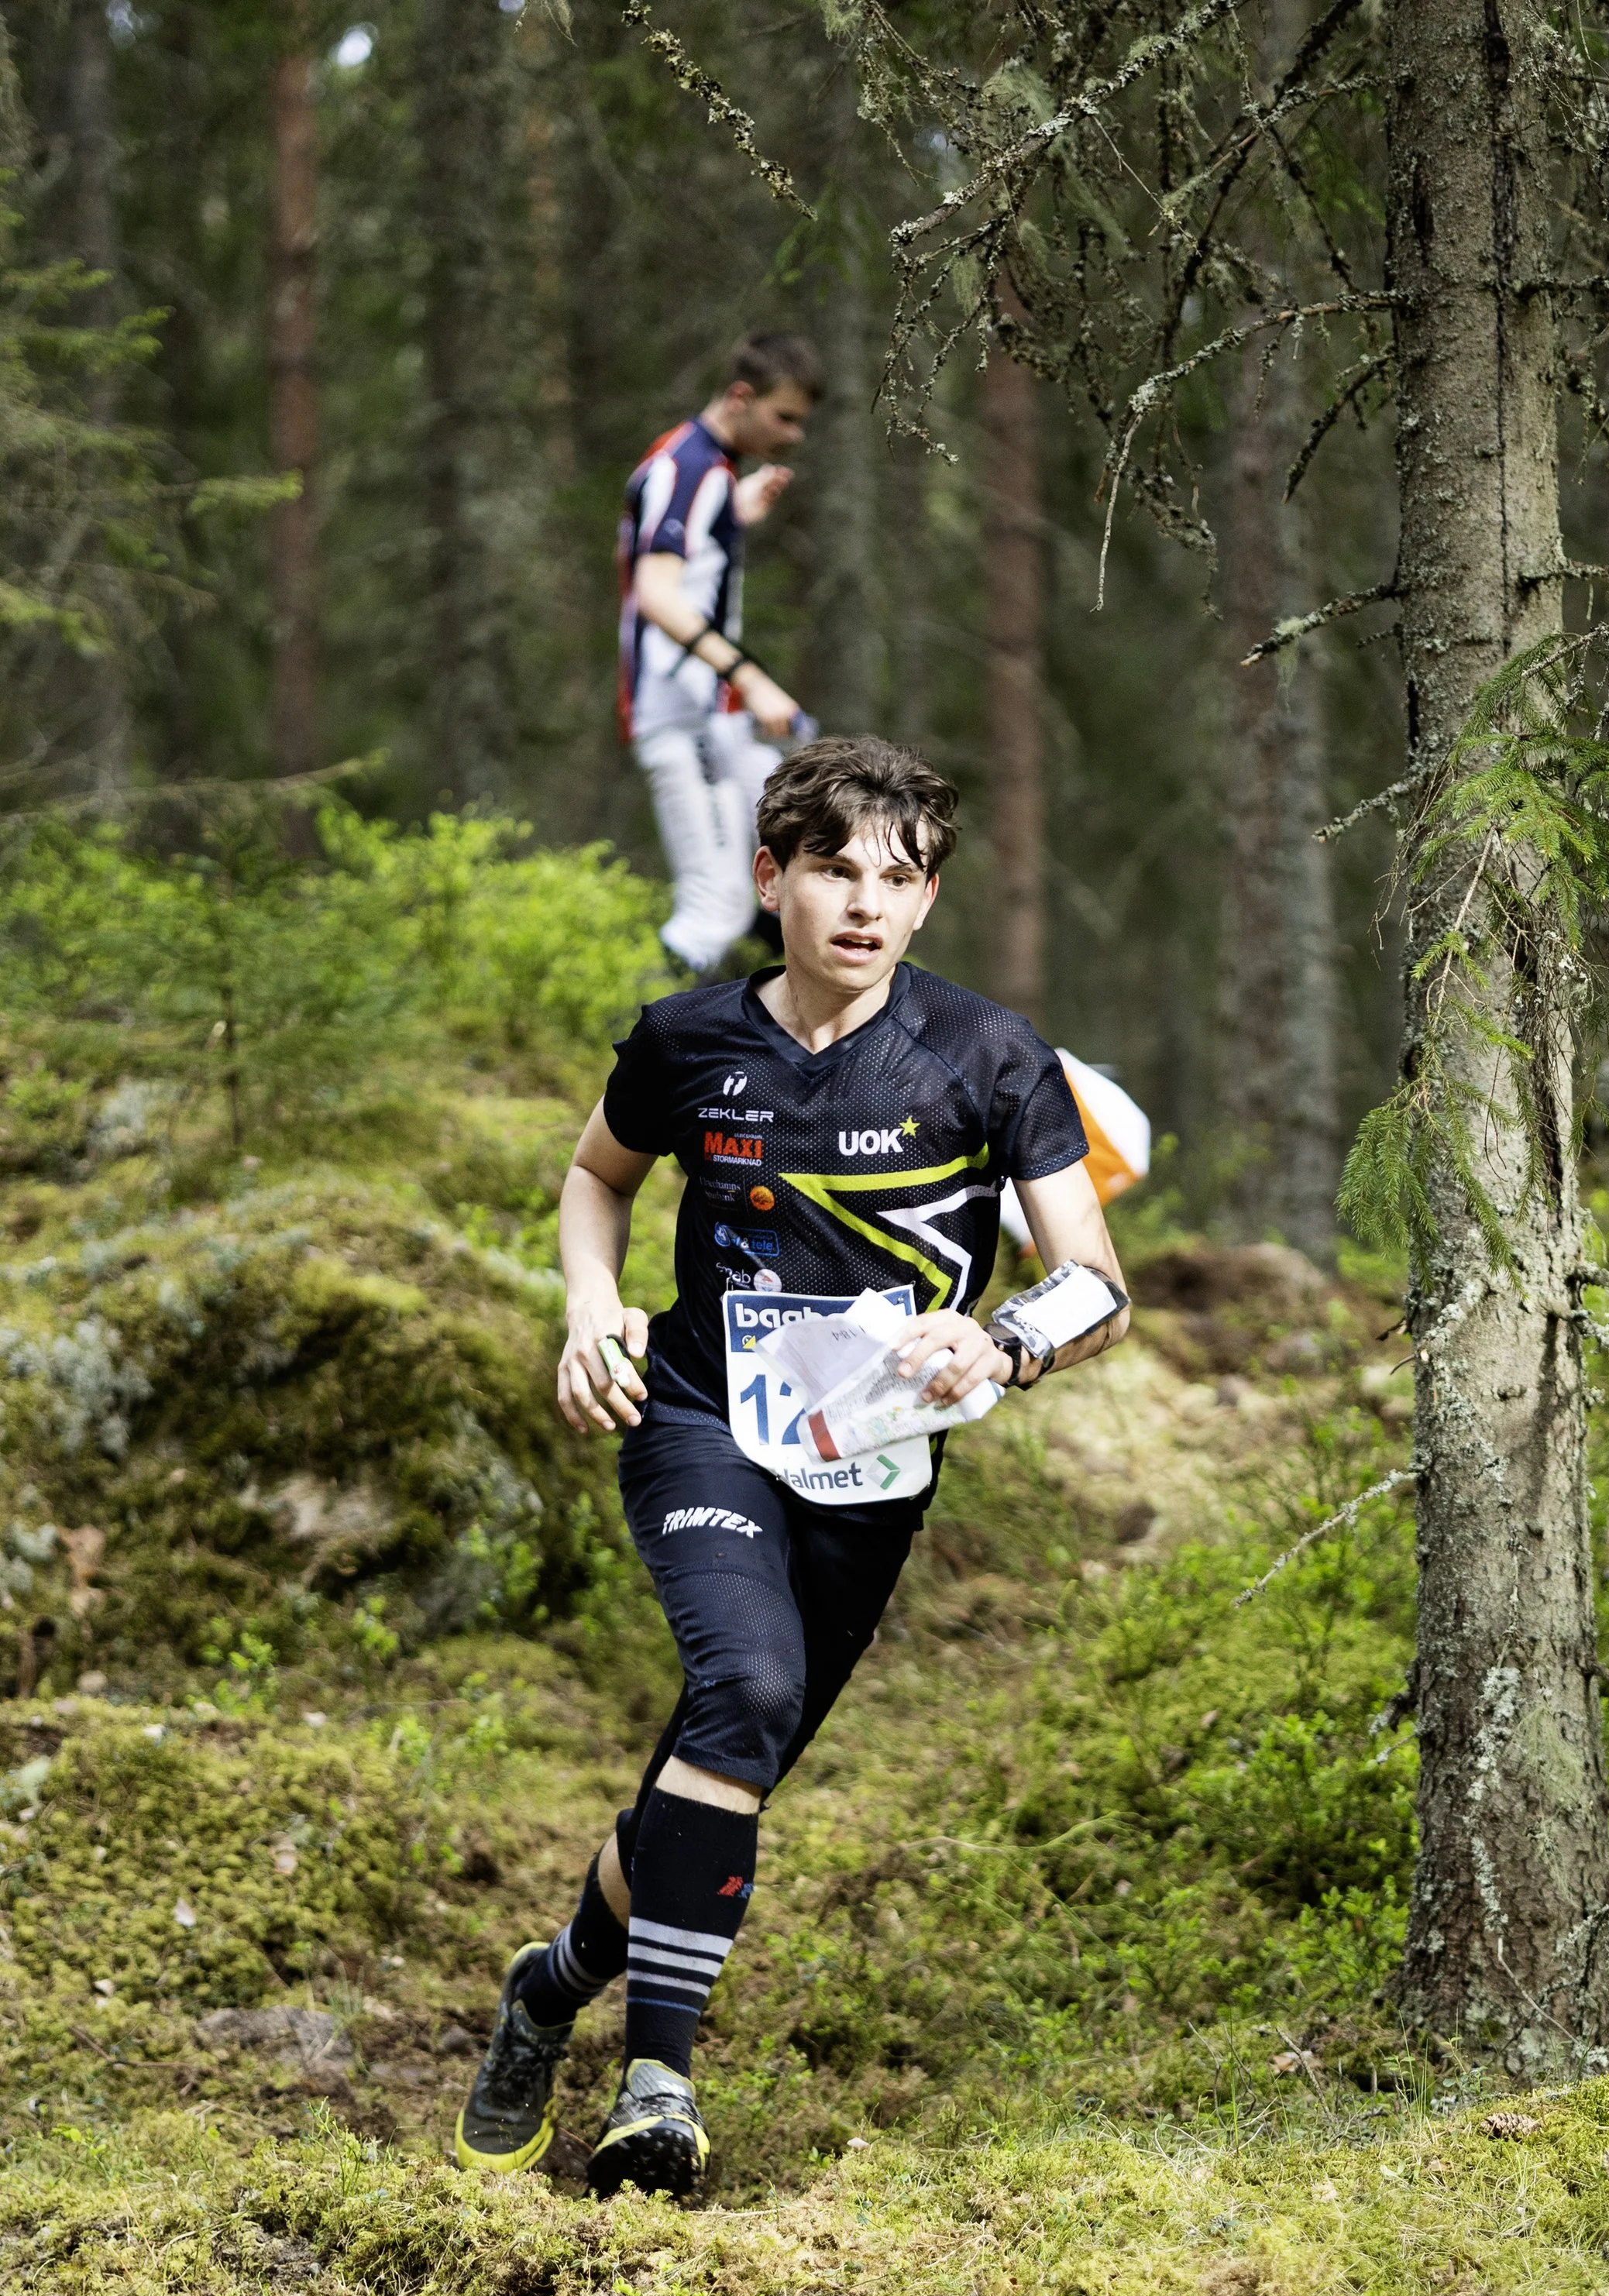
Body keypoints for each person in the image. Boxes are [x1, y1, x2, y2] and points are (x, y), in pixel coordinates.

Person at [454, 735, 1132, 2198]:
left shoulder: (991, 1056)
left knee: (726, 1755)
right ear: (772, 879)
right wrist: (591, 1302)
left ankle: (555, 1981)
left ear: (931, 899)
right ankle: (656, 2088)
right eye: (834, 869)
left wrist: (999, 1347)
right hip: (698, 1415)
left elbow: (1095, 1281)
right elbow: (595, 1179)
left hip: (874, 1464)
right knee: (747, 1691)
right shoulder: (690, 1041)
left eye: (900, 878)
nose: (865, 905)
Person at [618, 331, 823, 975]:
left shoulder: (709, 471)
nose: (793, 435)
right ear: (741, 397)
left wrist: (733, 514)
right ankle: (625, 1050)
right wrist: (750, 678)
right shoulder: (686, 468)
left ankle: (826, 1041)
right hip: (679, 717)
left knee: (788, 857)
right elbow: (654, 592)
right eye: (783, 416)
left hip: (713, 718)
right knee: (715, 907)